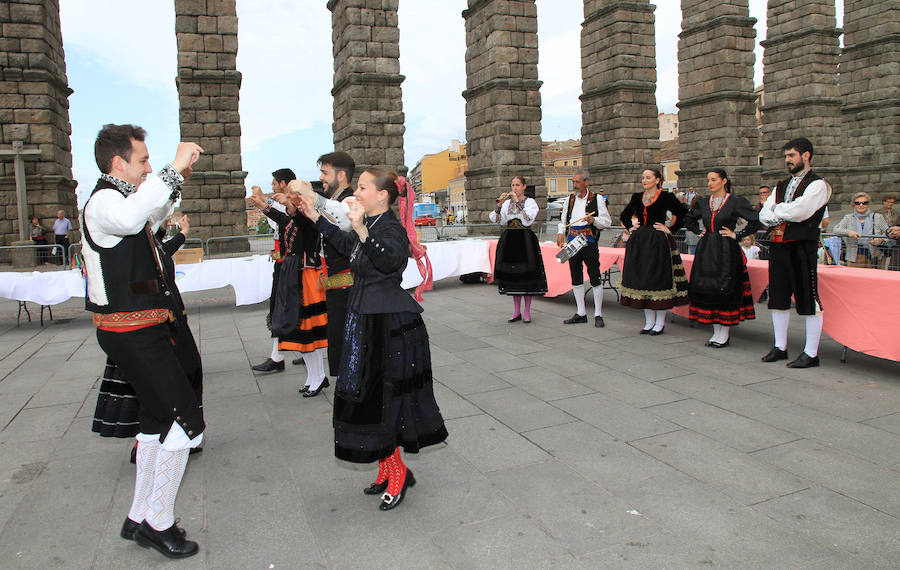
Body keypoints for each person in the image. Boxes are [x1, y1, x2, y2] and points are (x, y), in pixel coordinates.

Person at [81, 123, 203, 557]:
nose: (148, 167)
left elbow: (149, 217)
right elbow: (135, 217)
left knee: (155, 420)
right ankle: (159, 523)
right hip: (131, 334)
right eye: (143, 161)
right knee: (186, 421)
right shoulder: (103, 203)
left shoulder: (121, 201)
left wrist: (175, 181)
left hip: (141, 329)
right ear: (118, 163)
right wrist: (171, 168)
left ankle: (138, 516)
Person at [296, 166, 447, 511]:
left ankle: (398, 472)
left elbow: (392, 261)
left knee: (385, 399)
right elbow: (346, 242)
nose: (357, 192)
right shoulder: (373, 224)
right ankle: (387, 466)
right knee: (368, 398)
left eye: (363, 187)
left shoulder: (388, 227)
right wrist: (315, 216)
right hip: (365, 321)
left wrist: (362, 229)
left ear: (382, 195)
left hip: (388, 326)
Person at [93, 214, 204, 461]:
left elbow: (163, 252)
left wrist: (182, 233)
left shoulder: (150, 246)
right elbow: (136, 287)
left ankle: (170, 437)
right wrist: (161, 293)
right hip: (154, 324)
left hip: (168, 317)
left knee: (184, 372)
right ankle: (155, 441)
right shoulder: (136, 251)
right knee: (161, 385)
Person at [249, 177, 329, 396]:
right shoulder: (296, 218)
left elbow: (297, 220)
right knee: (301, 333)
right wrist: (262, 205)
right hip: (295, 275)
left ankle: (319, 376)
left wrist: (289, 203)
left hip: (306, 277)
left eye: (294, 195)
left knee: (308, 332)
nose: (289, 199)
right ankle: (314, 376)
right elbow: (282, 219)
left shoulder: (310, 217)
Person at [758, 137, 831, 368]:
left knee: (809, 297)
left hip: (802, 246)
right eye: (786, 156)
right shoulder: (780, 185)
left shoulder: (818, 184)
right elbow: (763, 213)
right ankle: (780, 347)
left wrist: (776, 211)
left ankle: (811, 353)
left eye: (791, 155)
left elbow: (802, 211)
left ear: (806, 155)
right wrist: (778, 212)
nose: (787, 160)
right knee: (778, 297)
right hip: (779, 245)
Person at [684, 169, 761, 347]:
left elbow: (756, 220)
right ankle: (715, 331)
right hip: (707, 249)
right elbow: (688, 218)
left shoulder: (735, 202)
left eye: (713, 180)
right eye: (708, 180)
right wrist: (698, 231)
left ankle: (724, 332)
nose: (709, 183)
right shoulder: (704, 202)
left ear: (724, 181)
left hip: (726, 248)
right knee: (709, 286)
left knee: (724, 286)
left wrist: (738, 234)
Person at [619, 168, 689, 334]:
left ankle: (660, 323)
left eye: (648, 177)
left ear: (657, 180)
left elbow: (683, 213)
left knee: (657, 279)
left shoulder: (666, 197)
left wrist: (670, 228)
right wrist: (631, 227)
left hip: (657, 241)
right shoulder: (637, 197)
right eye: (643, 177)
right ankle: (649, 322)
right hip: (640, 241)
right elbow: (624, 215)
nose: (644, 180)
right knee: (643, 279)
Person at [249, 171, 301, 375]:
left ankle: (278, 357)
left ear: (283, 183)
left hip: (291, 263)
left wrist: (262, 200)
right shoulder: (285, 205)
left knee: (283, 308)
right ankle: (301, 350)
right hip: (286, 261)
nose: (272, 186)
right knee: (289, 308)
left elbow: (280, 220)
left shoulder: (292, 205)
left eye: (274, 183)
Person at [555, 169, 611, 327]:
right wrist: (560, 233)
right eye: (573, 182)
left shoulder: (597, 199)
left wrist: (594, 220)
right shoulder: (570, 200)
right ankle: (581, 312)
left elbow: (606, 221)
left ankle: (598, 314)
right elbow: (563, 219)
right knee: (576, 276)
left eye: (577, 182)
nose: (574, 185)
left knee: (594, 276)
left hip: (589, 241)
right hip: (573, 240)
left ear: (586, 182)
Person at [490, 175, 547, 323]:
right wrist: (499, 205)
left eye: (517, 185)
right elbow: (498, 220)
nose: (514, 188)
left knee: (526, 276)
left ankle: (527, 312)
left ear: (524, 187)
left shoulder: (530, 202)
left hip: (525, 239)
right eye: (513, 185)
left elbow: (529, 219)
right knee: (513, 275)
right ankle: (516, 311)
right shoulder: (507, 203)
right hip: (510, 239)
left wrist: (517, 202)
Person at [831, 192, 892, 268]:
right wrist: (849, 232)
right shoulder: (848, 218)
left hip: (874, 256)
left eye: (864, 203)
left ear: (868, 204)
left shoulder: (877, 217)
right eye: (858, 203)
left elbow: (889, 233)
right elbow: (835, 229)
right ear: (854, 205)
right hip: (853, 256)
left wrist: (880, 240)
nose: (861, 205)